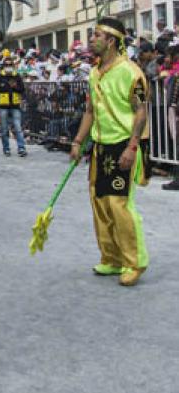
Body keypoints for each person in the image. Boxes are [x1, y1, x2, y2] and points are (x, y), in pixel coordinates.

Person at [70, 17, 149, 286]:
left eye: (97, 35)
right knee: (100, 203)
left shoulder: (131, 72)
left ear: (111, 40)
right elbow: (90, 110)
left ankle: (133, 262)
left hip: (123, 145)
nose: (92, 39)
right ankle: (112, 258)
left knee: (119, 205)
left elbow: (141, 111)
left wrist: (132, 146)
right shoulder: (94, 73)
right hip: (100, 148)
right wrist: (78, 141)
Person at [0, 59, 27, 156]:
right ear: (3, 66)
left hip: (15, 106)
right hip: (3, 106)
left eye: (10, 64)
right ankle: (6, 148)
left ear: (13, 65)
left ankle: (21, 148)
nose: (8, 66)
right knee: (4, 129)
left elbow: (22, 90)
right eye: (6, 64)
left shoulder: (17, 76)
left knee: (18, 127)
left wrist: (15, 87)